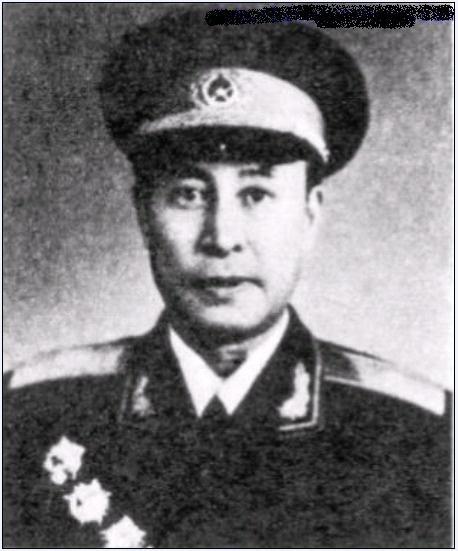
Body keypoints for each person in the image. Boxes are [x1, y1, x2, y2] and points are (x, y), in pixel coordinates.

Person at [3, 8, 451, 548]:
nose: (222, 237)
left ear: (310, 215)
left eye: (256, 194)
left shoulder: (418, 438)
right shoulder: (30, 418)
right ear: (144, 215)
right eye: (188, 194)